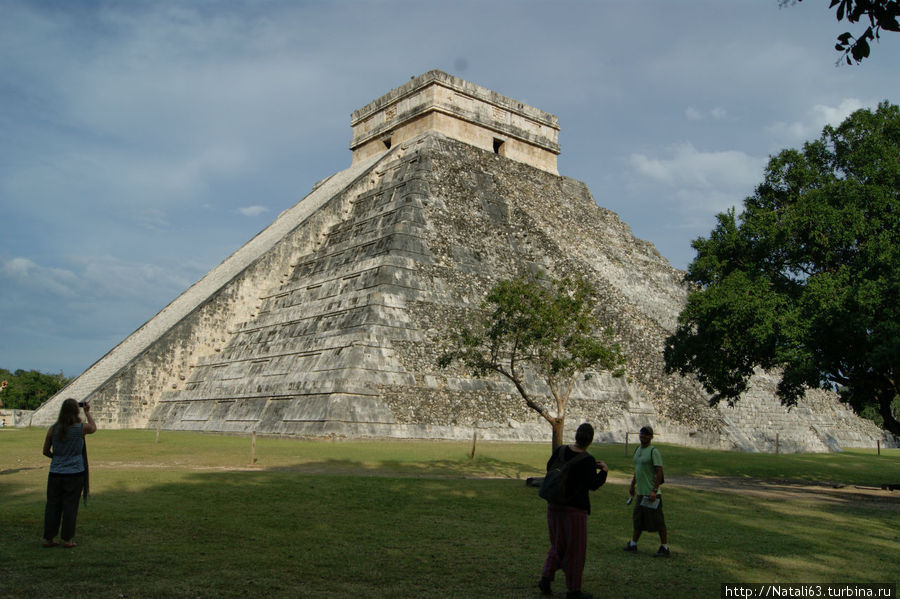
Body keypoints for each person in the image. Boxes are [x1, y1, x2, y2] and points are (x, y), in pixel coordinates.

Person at [539, 423, 609, 599]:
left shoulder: (561, 450)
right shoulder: (586, 460)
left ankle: (546, 577)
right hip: (574, 510)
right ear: (590, 440)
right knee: (575, 550)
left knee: (558, 544)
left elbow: (549, 468)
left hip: (554, 505)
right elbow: (593, 484)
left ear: (576, 435)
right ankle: (573, 589)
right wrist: (604, 472)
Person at [42, 398, 97, 548]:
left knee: (52, 506)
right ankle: (67, 539)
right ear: (76, 411)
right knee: (70, 507)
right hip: (74, 474)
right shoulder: (81, 428)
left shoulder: (53, 429)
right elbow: (93, 427)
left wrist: (59, 458)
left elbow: (45, 451)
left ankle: (49, 538)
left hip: (55, 473)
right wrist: (87, 412)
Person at [624, 425, 669, 557]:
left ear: (651, 437)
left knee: (658, 521)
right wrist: (633, 485)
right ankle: (633, 544)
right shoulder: (638, 450)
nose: (643, 436)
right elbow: (638, 470)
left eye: (646, 434)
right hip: (641, 492)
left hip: (652, 494)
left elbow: (659, 472)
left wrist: (654, 490)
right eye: (641, 434)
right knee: (637, 519)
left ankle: (664, 547)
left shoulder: (653, 451)